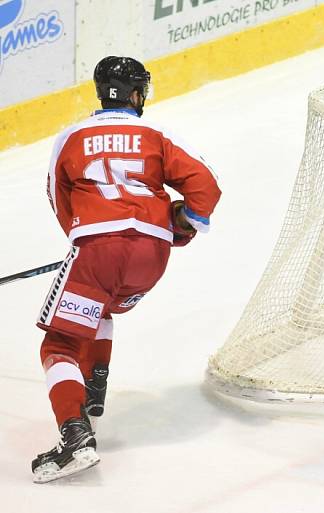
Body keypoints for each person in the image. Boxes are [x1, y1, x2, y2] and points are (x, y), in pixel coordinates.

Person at [31, 56, 222, 483]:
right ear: (136, 94)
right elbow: (205, 185)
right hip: (151, 256)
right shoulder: (155, 133)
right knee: (101, 309)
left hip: (97, 251)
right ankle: (93, 393)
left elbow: (58, 199)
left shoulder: (70, 137)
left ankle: (75, 436)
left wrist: (85, 239)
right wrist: (181, 223)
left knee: (58, 344)